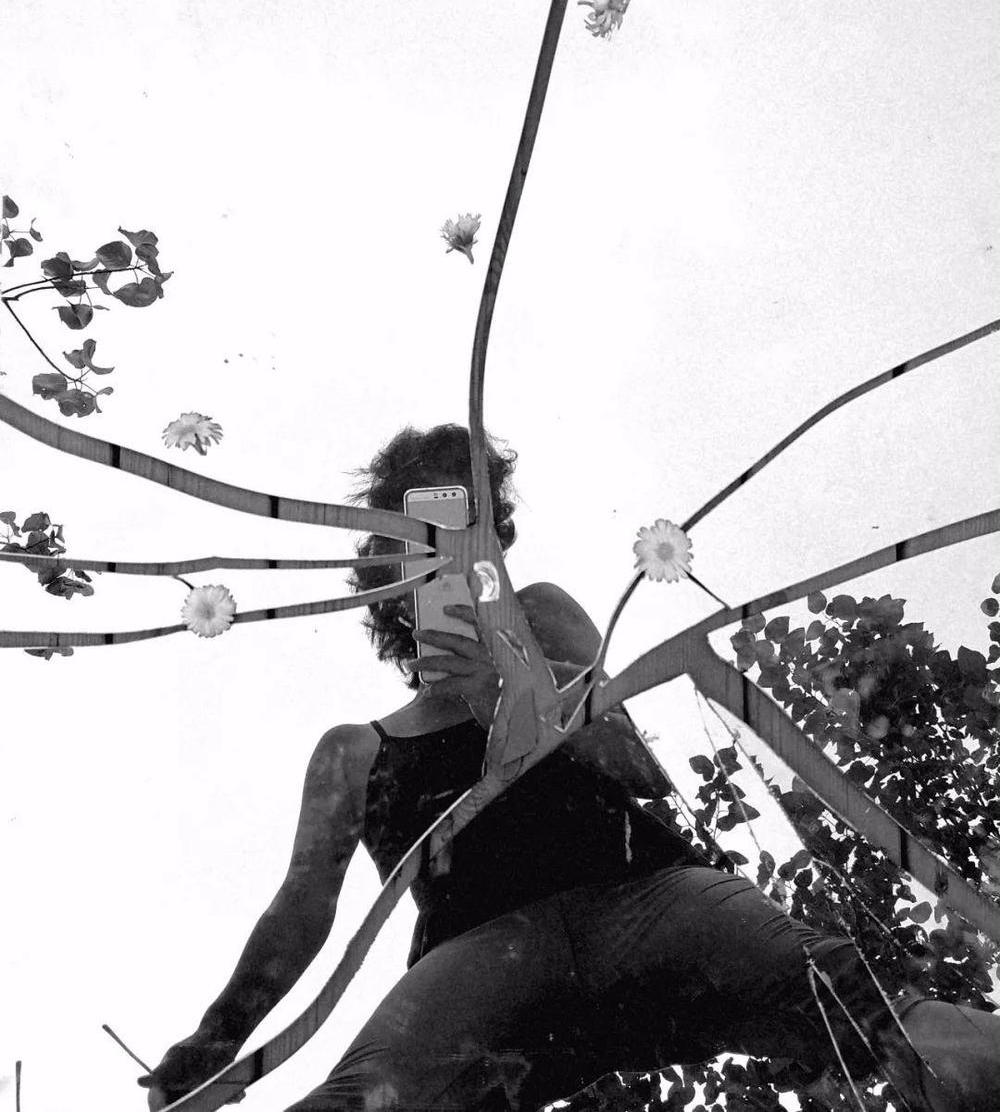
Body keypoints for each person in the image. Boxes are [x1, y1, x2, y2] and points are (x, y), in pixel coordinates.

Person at [141, 425, 1000, 1112]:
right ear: (385, 572)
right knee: (361, 1098)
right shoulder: (353, 749)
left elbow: (636, 766)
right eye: (421, 531)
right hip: (478, 954)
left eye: (469, 520)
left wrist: (510, 684)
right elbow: (302, 908)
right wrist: (220, 1036)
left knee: (858, 1001)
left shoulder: (541, 614)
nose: (447, 546)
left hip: (644, 896)